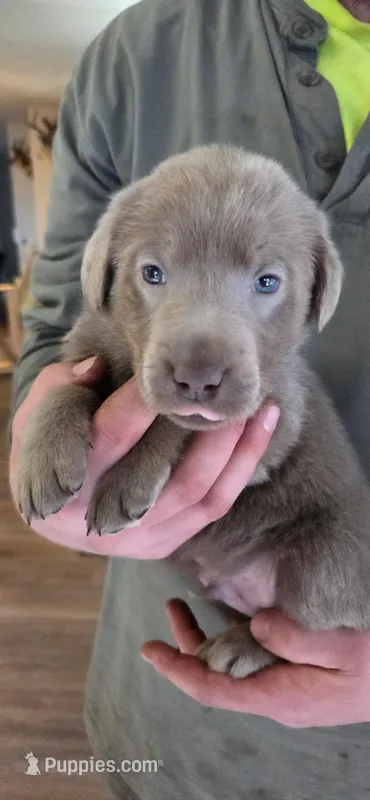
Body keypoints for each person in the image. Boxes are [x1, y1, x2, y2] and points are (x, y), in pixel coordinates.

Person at [9, 0, 370, 797]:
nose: (204, 355)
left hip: (339, 697)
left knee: (328, 569)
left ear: (316, 294)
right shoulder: (138, 52)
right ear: (115, 272)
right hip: (165, 721)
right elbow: (52, 356)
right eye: (153, 273)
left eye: (268, 284)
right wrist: (43, 433)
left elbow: (273, 428)